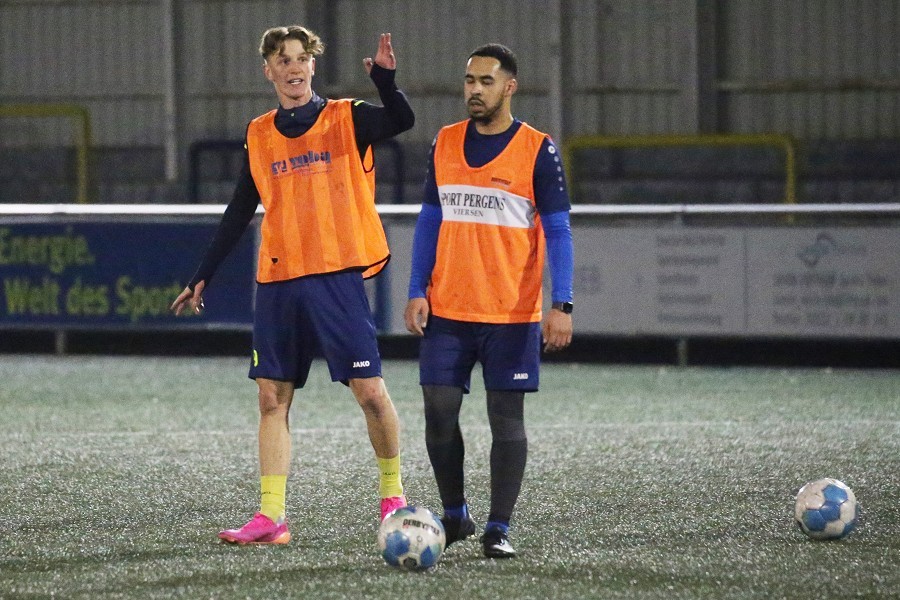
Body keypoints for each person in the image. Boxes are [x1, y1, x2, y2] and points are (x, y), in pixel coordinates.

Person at [171, 26, 414, 545]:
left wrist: (388, 82)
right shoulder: (258, 132)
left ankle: (393, 496)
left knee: (370, 393)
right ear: (269, 70)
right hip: (279, 279)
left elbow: (402, 119)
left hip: (335, 275)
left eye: (302, 59)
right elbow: (240, 210)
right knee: (271, 399)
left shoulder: (346, 117)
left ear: (313, 66)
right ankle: (272, 517)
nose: (294, 68)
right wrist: (201, 275)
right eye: (283, 60)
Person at [404, 43, 574, 559]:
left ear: (509, 87)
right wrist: (417, 288)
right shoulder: (445, 142)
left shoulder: (537, 149)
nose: (474, 90)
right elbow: (430, 219)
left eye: (485, 81)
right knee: (438, 410)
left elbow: (559, 230)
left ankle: (499, 527)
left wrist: (561, 303)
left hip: (511, 313)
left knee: (507, 420)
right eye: (469, 80)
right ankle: (455, 515)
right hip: (449, 309)